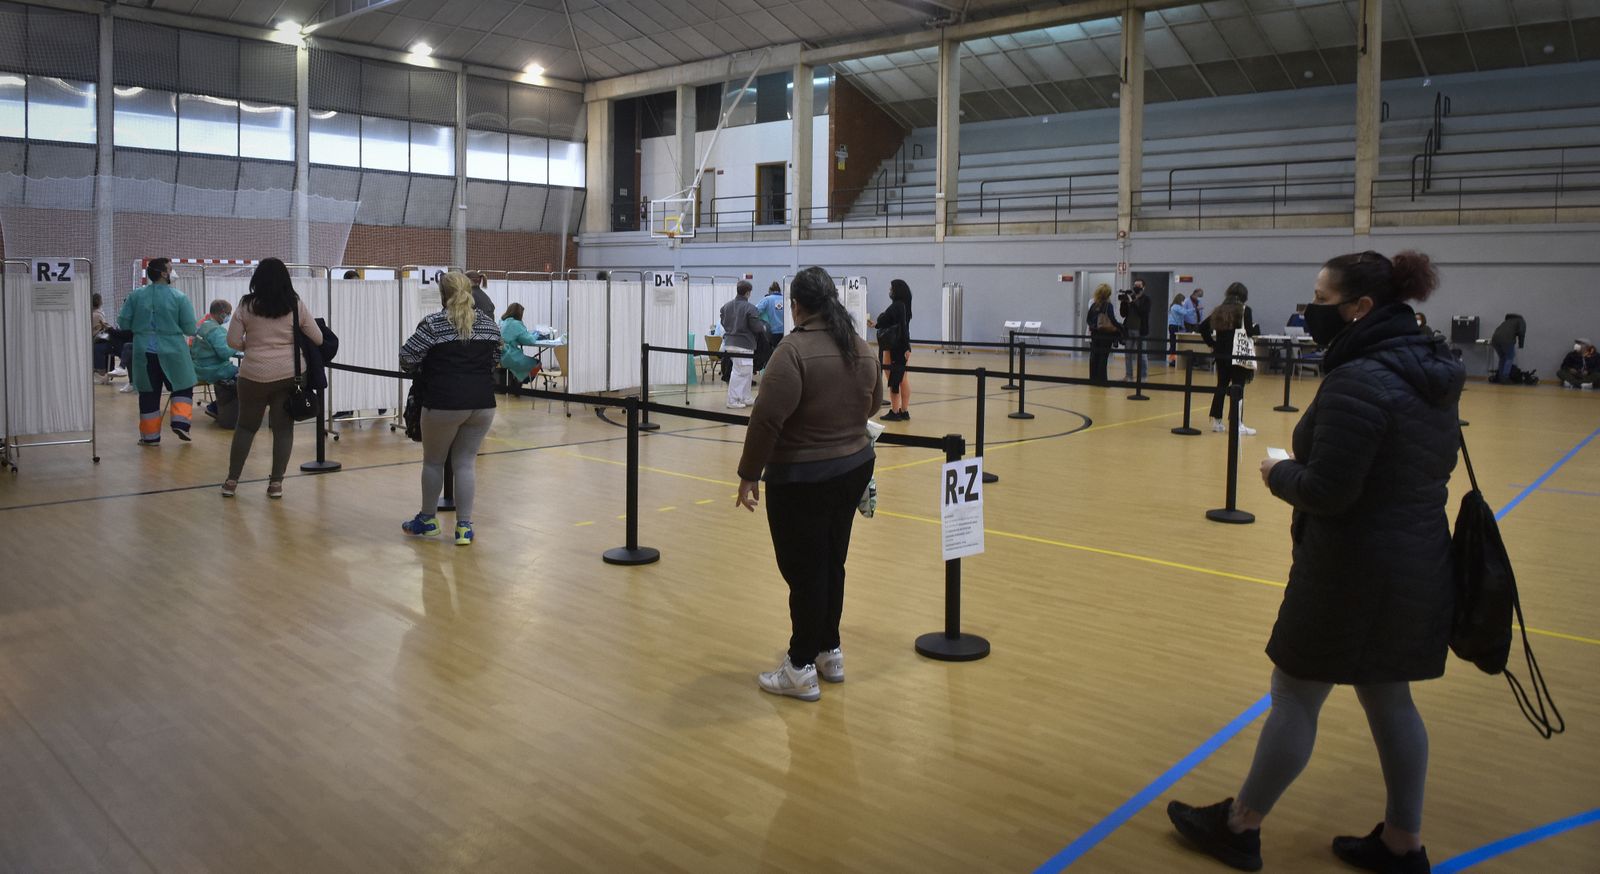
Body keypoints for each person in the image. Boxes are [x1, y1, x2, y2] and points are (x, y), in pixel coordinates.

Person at [1168, 250, 1462, 874]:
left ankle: (1239, 825)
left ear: (1360, 309)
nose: (1311, 311)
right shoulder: (1430, 368)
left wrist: (1280, 473)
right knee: (1390, 699)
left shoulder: (1361, 379)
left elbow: (1330, 490)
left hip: (1352, 570)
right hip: (1415, 560)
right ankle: (1402, 843)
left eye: (1323, 301)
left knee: (1295, 693)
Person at [735, 266, 883, 701]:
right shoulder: (859, 345)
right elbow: (874, 402)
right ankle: (827, 649)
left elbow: (766, 419)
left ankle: (800, 665)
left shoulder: (792, 351)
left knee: (802, 570)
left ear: (796, 306)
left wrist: (748, 474)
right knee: (831, 562)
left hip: (802, 476)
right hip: (854, 466)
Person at [399, 271, 501, 545]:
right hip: (482, 404)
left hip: (443, 402)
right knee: (465, 463)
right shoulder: (489, 325)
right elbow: (495, 361)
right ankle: (464, 528)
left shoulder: (433, 324)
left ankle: (428, 520)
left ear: (443, 295)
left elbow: (406, 357)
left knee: (434, 462)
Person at [224, 258, 324, 499]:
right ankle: (276, 484)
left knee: (246, 427)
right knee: (283, 430)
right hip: (289, 375)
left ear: (257, 278)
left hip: (252, 376)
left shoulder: (246, 305)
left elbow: (232, 342)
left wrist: (253, 345)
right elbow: (318, 338)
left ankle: (231, 481)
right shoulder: (294, 304)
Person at [118, 258, 198, 445]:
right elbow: (189, 328)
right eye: (171, 269)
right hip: (174, 351)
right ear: (164, 273)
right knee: (182, 385)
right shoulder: (179, 297)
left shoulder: (135, 296)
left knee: (148, 393)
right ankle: (180, 422)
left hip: (144, 351)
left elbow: (124, 323)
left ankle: (150, 437)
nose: (173, 272)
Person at [1199, 283, 1260, 436]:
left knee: (1221, 385)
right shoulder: (1245, 310)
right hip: (1237, 353)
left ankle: (1216, 421)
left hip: (1221, 354)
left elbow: (1203, 327)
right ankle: (1237, 422)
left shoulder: (1220, 309)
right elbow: (1249, 332)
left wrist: (1212, 343)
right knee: (1238, 387)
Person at [869, 279, 913, 421]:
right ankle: (904, 410)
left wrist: (879, 320)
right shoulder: (905, 306)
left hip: (895, 347)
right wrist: (907, 347)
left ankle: (894, 411)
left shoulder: (896, 306)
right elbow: (902, 327)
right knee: (903, 379)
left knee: (893, 379)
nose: (890, 291)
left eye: (891, 288)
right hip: (904, 347)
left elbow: (884, 319)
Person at [720, 280, 765, 409]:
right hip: (744, 344)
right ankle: (732, 400)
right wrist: (763, 327)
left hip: (729, 342)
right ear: (748, 293)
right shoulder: (750, 308)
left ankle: (746, 397)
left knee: (747, 370)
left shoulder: (726, 306)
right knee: (740, 371)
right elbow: (756, 327)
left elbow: (723, 321)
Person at [192, 299, 239, 385]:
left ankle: (224, 397)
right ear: (222, 314)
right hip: (213, 371)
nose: (229, 316)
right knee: (244, 374)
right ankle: (231, 398)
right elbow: (225, 353)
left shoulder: (201, 325)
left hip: (197, 369)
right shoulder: (216, 330)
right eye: (229, 313)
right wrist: (237, 344)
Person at [499, 302, 544, 384]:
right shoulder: (516, 324)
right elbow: (529, 340)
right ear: (519, 313)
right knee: (538, 363)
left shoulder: (501, 322)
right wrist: (536, 335)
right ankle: (521, 381)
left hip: (499, 355)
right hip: (510, 356)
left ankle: (515, 380)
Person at [1085, 284, 1121, 386]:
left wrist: (1093, 327)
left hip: (1094, 334)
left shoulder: (1094, 305)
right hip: (1105, 334)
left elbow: (1088, 319)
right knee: (1103, 357)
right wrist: (1120, 328)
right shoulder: (1108, 305)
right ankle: (1102, 380)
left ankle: (1093, 379)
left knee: (1094, 356)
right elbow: (1112, 320)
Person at [1119, 279, 1152, 380]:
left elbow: (1143, 312)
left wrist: (1132, 302)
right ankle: (1129, 375)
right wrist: (1124, 303)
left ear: (1143, 287)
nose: (1136, 287)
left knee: (1141, 355)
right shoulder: (1130, 297)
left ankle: (1143, 376)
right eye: (1135, 285)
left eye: (1139, 285)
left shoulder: (1146, 299)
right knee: (1128, 354)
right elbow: (1123, 314)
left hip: (1140, 330)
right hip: (1129, 329)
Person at [90, 293, 127, 383]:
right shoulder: (98, 313)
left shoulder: (97, 314)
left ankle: (103, 371)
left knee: (101, 347)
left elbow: (122, 334)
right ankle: (105, 371)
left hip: (116, 342)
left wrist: (108, 329)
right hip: (108, 340)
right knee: (102, 347)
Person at [754, 280, 786, 371]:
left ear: (770, 291)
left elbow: (755, 311)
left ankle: (772, 371)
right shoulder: (785, 299)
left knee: (771, 354)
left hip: (773, 333)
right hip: (786, 332)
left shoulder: (767, 299)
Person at [1489, 312, 1525, 383]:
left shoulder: (1506, 321)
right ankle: (1505, 377)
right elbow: (1521, 332)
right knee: (1509, 358)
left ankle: (1500, 377)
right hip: (1507, 340)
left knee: (1502, 358)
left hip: (1495, 340)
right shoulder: (1521, 321)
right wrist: (1521, 345)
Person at [1167, 292, 1188, 366]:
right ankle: (1172, 360)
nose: (1184, 302)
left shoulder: (1173, 306)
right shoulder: (1176, 307)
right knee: (1173, 344)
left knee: (1173, 343)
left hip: (1173, 326)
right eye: (1183, 300)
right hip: (1174, 326)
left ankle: (1172, 360)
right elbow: (1185, 313)